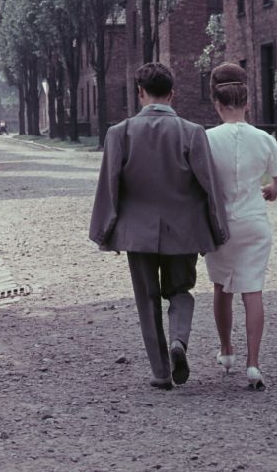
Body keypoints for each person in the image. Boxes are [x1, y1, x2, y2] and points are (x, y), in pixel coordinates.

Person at [89, 62, 229, 390]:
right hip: (184, 230)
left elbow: (109, 185)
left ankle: (161, 372)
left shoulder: (119, 133)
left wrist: (104, 231)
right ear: (173, 94)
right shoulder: (192, 132)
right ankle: (179, 341)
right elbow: (210, 184)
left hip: (137, 233)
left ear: (140, 93)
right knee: (180, 290)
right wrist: (218, 229)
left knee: (147, 299)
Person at [204, 62, 277, 391]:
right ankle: (254, 364)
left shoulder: (207, 139)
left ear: (218, 105)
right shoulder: (265, 139)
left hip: (221, 223)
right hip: (254, 221)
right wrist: (271, 191)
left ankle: (226, 351)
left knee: (222, 288)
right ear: (247, 104)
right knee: (253, 291)